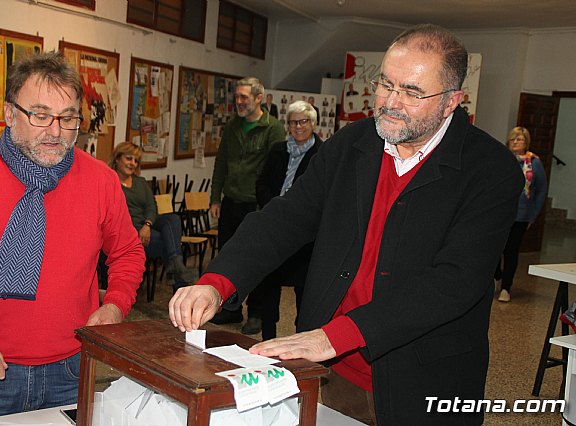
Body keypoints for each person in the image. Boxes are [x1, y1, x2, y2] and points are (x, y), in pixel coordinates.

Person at [169, 24, 523, 426]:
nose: (391, 102)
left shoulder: (491, 171)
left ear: (451, 102)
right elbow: (287, 218)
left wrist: (334, 335)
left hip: (423, 381)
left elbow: (454, 281)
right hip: (330, 371)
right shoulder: (352, 144)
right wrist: (219, 281)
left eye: (412, 92)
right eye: (386, 84)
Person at [0, 51, 145, 423]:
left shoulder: (100, 181)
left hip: (71, 369)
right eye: (40, 114)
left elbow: (128, 252)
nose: (55, 131)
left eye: (67, 118)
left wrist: (115, 304)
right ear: (10, 114)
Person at [208, 76, 286, 334]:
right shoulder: (232, 126)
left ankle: (256, 313)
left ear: (258, 98)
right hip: (231, 202)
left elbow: (275, 172)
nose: (239, 102)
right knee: (228, 257)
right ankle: (231, 308)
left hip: (257, 206)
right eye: (237, 97)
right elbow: (221, 163)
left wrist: (269, 208)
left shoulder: (273, 128)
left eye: (244, 97)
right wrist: (215, 198)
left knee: (256, 260)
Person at [253, 101, 323, 339]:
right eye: (293, 122)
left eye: (303, 121)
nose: (298, 127)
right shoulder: (277, 150)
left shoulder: (322, 154)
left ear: (313, 124)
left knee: (304, 291)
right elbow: (261, 183)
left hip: (305, 234)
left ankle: (301, 342)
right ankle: (267, 338)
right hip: (275, 226)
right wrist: (273, 206)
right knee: (269, 285)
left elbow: (324, 194)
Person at [108, 141, 197, 290]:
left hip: (146, 226)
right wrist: (141, 228)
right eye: (129, 158)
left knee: (173, 219)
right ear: (117, 159)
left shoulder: (140, 182)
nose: (133, 164)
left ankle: (175, 269)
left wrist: (147, 225)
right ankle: (178, 279)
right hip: (127, 229)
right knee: (169, 242)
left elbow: (151, 206)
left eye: (136, 161)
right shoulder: (110, 181)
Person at [494, 127, 547, 302]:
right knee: (494, 248)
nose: (515, 143)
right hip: (499, 213)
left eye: (520, 140)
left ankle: (506, 288)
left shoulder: (534, 162)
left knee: (511, 250)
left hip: (520, 214)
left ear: (526, 143)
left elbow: (540, 191)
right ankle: (496, 274)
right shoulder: (501, 158)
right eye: (513, 139)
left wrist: (533, 216)